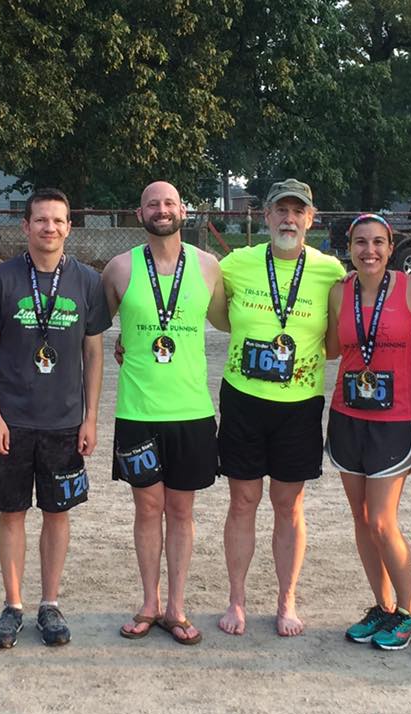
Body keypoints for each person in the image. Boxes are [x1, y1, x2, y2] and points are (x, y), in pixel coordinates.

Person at [0, 189, 111, 648]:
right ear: (25, 227)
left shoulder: (88, 281)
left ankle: (49, 604)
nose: (49, 228)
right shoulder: (0, 280)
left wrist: (90, 419)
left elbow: (94, 353)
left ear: (69, 226)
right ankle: (13, 606)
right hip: (10, 420)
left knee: (57, 512)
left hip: (65, 422)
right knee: (12, 512)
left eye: (58, 220)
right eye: (40, 220)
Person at [216, 179, 345, 637]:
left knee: (288, 506)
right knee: (242, 501)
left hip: (300, 404)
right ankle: (236, 600)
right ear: (265, 216)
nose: (289, 219)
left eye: (298, 211)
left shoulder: (331, 271)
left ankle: (286, 600)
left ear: (311, 219)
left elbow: (336, 342)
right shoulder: (236, 264)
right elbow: (213, 314)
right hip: (244, 400)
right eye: (280, 210)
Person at [102, 181, 227, 646]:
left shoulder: (209, 266)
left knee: (181, 509)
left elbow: (225, 321)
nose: (161, 210)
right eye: (152, 203)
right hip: (137, 410)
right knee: (147, 507)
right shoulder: (118, 269)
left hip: (192, 410)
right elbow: (100, 323)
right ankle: (149, 602)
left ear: (183, 211)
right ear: (140, 213)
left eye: (169, 202)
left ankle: (176, 606)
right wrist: (122, 342)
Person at [325, 214, 411, 650]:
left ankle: (410, 612)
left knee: (383, 520)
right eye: (361, 242)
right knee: (362, 518)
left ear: (390, 246)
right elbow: (330, 346)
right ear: (349, 247)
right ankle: (383, 608)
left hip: (395, 417)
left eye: (379, 242)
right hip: (347, 414)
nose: (370, 251)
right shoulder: (338, 292)